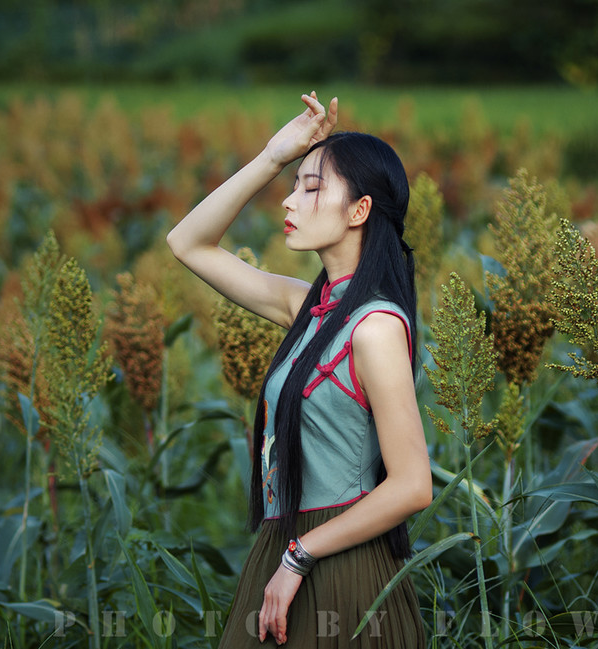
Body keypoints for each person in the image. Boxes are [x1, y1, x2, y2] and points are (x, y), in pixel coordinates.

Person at [167, 92, 432, 647]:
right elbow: (187, 243)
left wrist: (299, 557)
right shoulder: (307, 306)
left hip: (337, 565)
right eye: (294, 186)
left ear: (359, 211)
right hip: (284, 548)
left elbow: (412, 486)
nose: (288, 202)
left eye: (311, 189)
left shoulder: (374, 327)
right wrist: (273, 156)